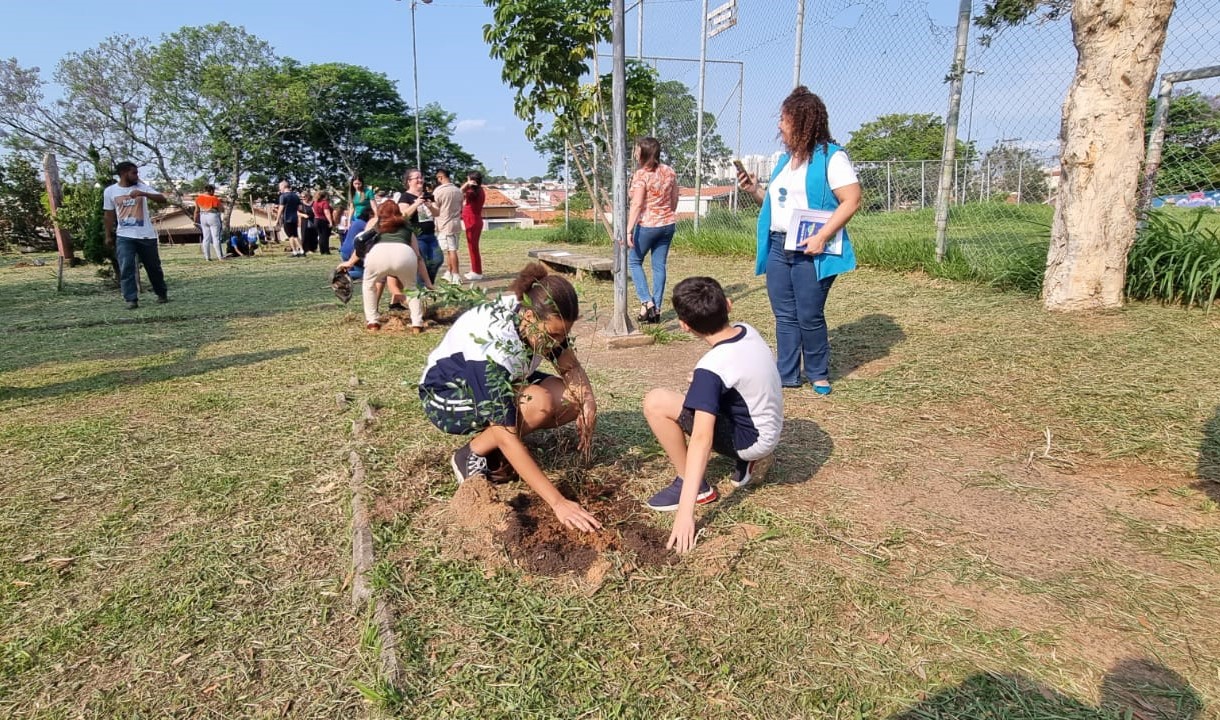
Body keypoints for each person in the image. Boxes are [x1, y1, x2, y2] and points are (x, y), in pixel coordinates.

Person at [418, 262, 601, 533]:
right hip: (447, 394)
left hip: (504, 380)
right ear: (528, 317)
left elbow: (570, 366)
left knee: (569, 399)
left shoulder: (538, 324)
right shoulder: (492, 342)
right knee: (537, 402)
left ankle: (498, 451)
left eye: (563, 336)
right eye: (552, 336)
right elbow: (506, 433)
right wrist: (558, 502)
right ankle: (471, 453)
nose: (556, 343)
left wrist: (588, 401)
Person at [641, 276, 782, 552]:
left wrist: (685, 512)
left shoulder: (712, 367)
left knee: (656, 402)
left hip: (752, 441)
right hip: (768, 426)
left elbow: (702, 440)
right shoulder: (746, 330)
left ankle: (695, 487)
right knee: (699, 389)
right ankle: (748, 462)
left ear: (684, 326)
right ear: (729, 306)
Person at [737, 86, 860, 396]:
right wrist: (754, 190)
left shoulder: (832, 158)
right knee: (785, 314)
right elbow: (777, 205)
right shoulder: (784, 160)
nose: (779, 124)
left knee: (809, 313)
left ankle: (818, 373)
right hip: (779, 245)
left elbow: (851, 200)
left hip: (811, 248)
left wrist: (822, 236)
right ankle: (787, 374)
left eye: (784, 118)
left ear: (803, 121)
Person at [336, 201, 432, 331]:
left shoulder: (374, 224)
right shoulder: (408, 229)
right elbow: (419, 258)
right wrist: (428, 282)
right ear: (398, 212)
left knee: (368, 285)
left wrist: (350, 262)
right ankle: (417, 324)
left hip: (378, 255)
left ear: (380, 213)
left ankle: (372, 322)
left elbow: (362, 243)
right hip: (404, 255)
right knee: (411, 288)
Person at [626, 137, 679, 324]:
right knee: (659, 266)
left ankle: (647, 301)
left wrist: (628, 230)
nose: (634, 153)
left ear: (643, 153)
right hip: (667, 225)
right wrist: (666, 213)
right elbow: (674, 200)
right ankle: (655, 309)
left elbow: (637, 203)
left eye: (637, 150)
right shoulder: (669, 172)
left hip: (648, 225)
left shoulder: (641, 175)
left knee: (633, 262)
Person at [103, 162, 170, 310]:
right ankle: (131, 299)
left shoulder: (142, 187)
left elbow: (162, 199)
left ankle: (161, 293)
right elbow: (108, 215)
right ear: (123, 173)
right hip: (124, 235)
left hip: (146, 235)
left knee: (153, 267)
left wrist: (144, 194)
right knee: (126, 266)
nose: (137, 175)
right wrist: (108, 235)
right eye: (134, 173)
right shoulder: (110, 191)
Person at [399, 169, 442, 283]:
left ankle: (428, 283)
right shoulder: (405, 197)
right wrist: (416, 203)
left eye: (421, 177)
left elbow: (437, 213)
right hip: (416, 236)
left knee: (438, 260)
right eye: (417, 178)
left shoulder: (428, 195)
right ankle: (420, 289)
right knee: (420, 263)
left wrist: (430, 206)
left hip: (431, 235)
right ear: (409, 181)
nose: (420, 180)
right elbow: (403, 216)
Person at [432, 168, 464, 284]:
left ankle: (455, 274)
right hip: (456, 223)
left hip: (444, 223)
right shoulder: (458, 190)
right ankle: (449, 272)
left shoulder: (439, 191)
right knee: (452, 249)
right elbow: (461, 206)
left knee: (451, 251)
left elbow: (435, 209)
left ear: (441, 177)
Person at [461, 170, 486, 280]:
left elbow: (458, 192)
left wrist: (467, 185)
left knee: (473, 247)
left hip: (472, 220)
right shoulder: (479, 191)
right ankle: (475, 269)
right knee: (473, 247)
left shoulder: (471, 192)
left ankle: (477, 271)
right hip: (473, 219)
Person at [339, 206, 373, 281]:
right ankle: (340, 277)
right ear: (370, 215)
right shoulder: (365, 225)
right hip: (352, 252)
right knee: (363, 273)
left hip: (344, 250)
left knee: (350, 271)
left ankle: (342, 279)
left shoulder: (356, 222)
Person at [273, 181, 305, 257]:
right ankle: (302, 250)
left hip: (287, 218)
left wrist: (277, 220)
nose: (279, 188)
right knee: (296, 235)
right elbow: (300, 207)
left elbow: (281, 209)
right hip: (294, 218)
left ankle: (295, 251)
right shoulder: (295, 196)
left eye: (280, 186)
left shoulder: (283, 196)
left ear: (283, 187)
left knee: (290, 236)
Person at [193, 184, 224, 261]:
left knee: (206, 238)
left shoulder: (198, 198)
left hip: (202, 216)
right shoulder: (214, 198)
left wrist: (195, 220)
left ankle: (207, 257)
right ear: (211, 191)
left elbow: (196, 211)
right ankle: (220, 257)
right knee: (215, 237)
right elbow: (222, 209)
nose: (214, 193)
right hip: (212, 215)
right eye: (213, 191)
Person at [312, 190, 334, 255]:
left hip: (316, 219)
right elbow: (327, 213)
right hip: (323, 220)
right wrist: (330, 222)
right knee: (325, 236)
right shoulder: (324, 203)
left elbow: (313, 211)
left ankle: (322, 251)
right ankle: (326, 251)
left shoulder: (315, 203)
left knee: (320, 236)